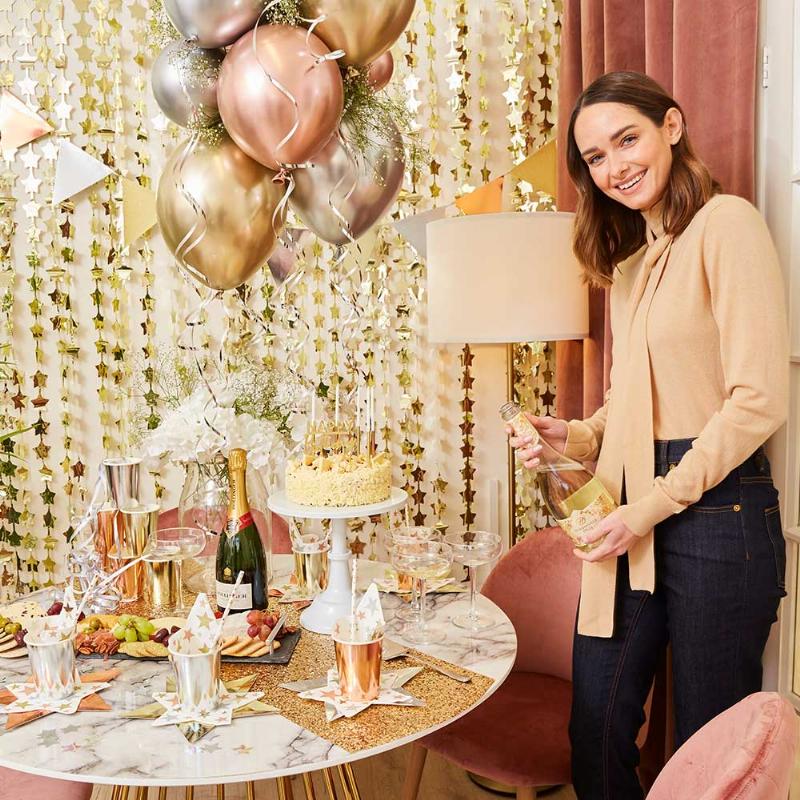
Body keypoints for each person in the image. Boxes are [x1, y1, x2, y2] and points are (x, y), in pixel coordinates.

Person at [507, 71, 788, 799]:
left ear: (671, 125)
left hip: (720, 512)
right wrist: (565, 434)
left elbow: (758, 400)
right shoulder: (632, 264)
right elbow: (625, 410)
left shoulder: (728, 224)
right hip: (633, 504)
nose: (614, 166)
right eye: (595, 159)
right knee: (595, 730)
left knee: (707, 751)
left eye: (625, 139)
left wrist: (650, 507)